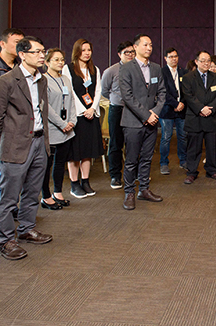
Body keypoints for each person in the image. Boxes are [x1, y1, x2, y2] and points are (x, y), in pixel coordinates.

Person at [0, 36, 53, 260]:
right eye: (36, 52)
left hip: (39, 142)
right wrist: (9, 139)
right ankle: (5, 240)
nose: (42, 55)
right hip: (15, 146)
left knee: (32, 192)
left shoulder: (42, 79)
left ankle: (26, 229)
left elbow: (41, 111)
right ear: (22, 55)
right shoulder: (6, 81)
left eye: (43, 51)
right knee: (8, 197)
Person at [119, 34, 166, 210]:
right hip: (133, 122)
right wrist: (146, 115)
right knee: (131, 159)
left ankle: (144, 189)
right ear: (136, 47)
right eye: (145, 44)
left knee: (147, 158)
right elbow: (127, 97)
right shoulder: (126, 68)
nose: (149, 48)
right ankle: (129, 192)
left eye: (151, 45)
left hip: (152, 121)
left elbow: (162, 93)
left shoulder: (156, 68)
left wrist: (155, 112)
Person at [0, 28, 24, 235]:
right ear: (3, 44)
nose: (20, 46)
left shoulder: (21, 68)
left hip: (16, 131)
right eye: (16, 42)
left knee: (11, 173)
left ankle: (8, 209)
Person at [63, 39, 103, 198]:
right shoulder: (68, 69)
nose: (86, 53)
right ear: (77, 51)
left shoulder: (95, 69)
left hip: (91, 115)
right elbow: (70, 91)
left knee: (88, 151)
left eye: (89, 50)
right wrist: (83, 110)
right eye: (83, 50)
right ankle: (74, 184)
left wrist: (92, 108)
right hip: (77, 116)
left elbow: (98, 90)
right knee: (75, 152)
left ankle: (85, 181)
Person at [181, 51, 216, 184]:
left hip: (211, 117)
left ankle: (212, 171)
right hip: (195, 117)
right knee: (194, 147)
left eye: (208, 61)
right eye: (203, 60)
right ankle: (192, 172)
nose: (206, 63)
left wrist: (210, 108)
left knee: (212, 146)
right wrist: (201, 108)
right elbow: (188, 96)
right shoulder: (188, 77)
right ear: (196, 61)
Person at [40, 48, 76, 210]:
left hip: (68, 129)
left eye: (62, 59)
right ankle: (46, 196)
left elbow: (71, 102)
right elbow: (45, 106)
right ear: (46, 62)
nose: (60, 62)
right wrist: (62, 124)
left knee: (60, 162)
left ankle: (58, 192)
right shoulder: (43, 80)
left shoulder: (66, 79)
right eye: (56, 60)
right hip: (52, 128)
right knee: (46, 164)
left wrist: (72, 121)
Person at [101, 41, 135, 189]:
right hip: (117, 110)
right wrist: (117, 99)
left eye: (132, 52)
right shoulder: (111, 71)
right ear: (119, 54)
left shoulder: (138, 70)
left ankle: (134, 173)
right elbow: (104, 91)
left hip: (134, 111)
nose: (130, 55)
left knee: (133, 143)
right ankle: (115, 176)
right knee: (116, 143)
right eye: (126, 52)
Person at [159, 47, 187, 175]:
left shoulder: (183, 72)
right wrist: (175, 103)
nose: (174, 59)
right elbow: (162, 92)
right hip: (167, 110)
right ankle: (164, 163)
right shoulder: (161, 72)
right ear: (165, 58)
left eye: (175, 56)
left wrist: (182, 104)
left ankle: (183, 160)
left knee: (183, 136)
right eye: (170, 57)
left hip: (181, 109)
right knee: (166, 137)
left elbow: (188, 90)